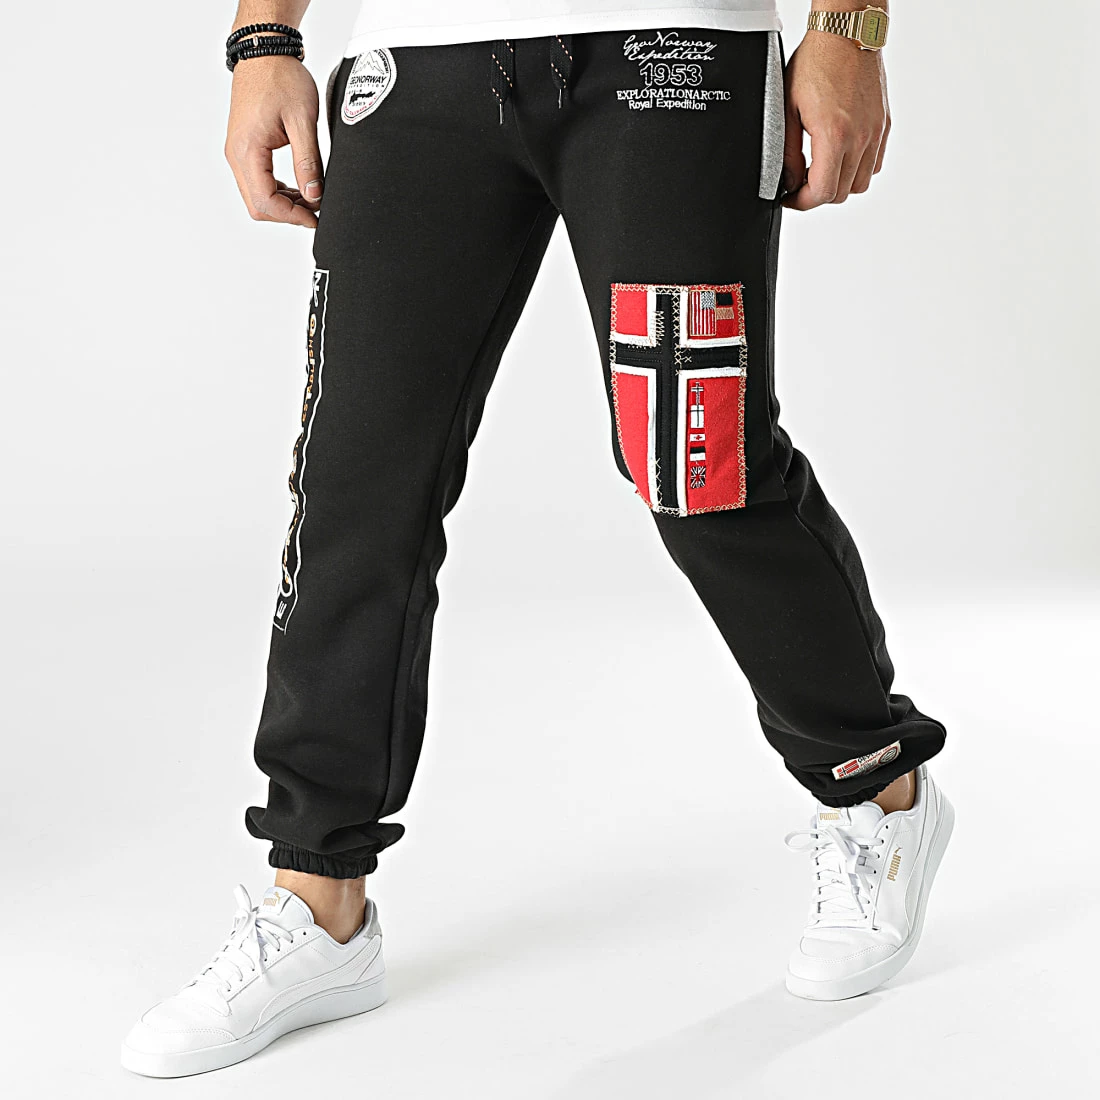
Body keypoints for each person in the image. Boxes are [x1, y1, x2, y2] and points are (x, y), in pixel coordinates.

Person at [121, 0, 953, 1078]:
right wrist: (264, 36)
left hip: (672, 48)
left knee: (696, 459)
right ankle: (319, 902)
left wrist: (848, 23)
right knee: (355, 486)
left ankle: (877, 789)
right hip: (416, 64)